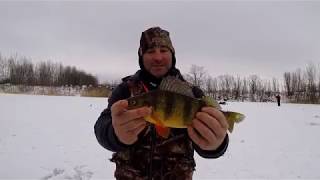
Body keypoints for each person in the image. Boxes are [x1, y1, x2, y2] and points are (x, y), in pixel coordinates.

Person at [94, 27, 229, 180]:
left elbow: (211, 137)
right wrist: (115, 134)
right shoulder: (125, 91)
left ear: (172, 55)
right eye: (150, 51)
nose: (158, 57)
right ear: (141, 56)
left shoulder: (192, 93)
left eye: (164, 50)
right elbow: (102, 125)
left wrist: (216, 144)